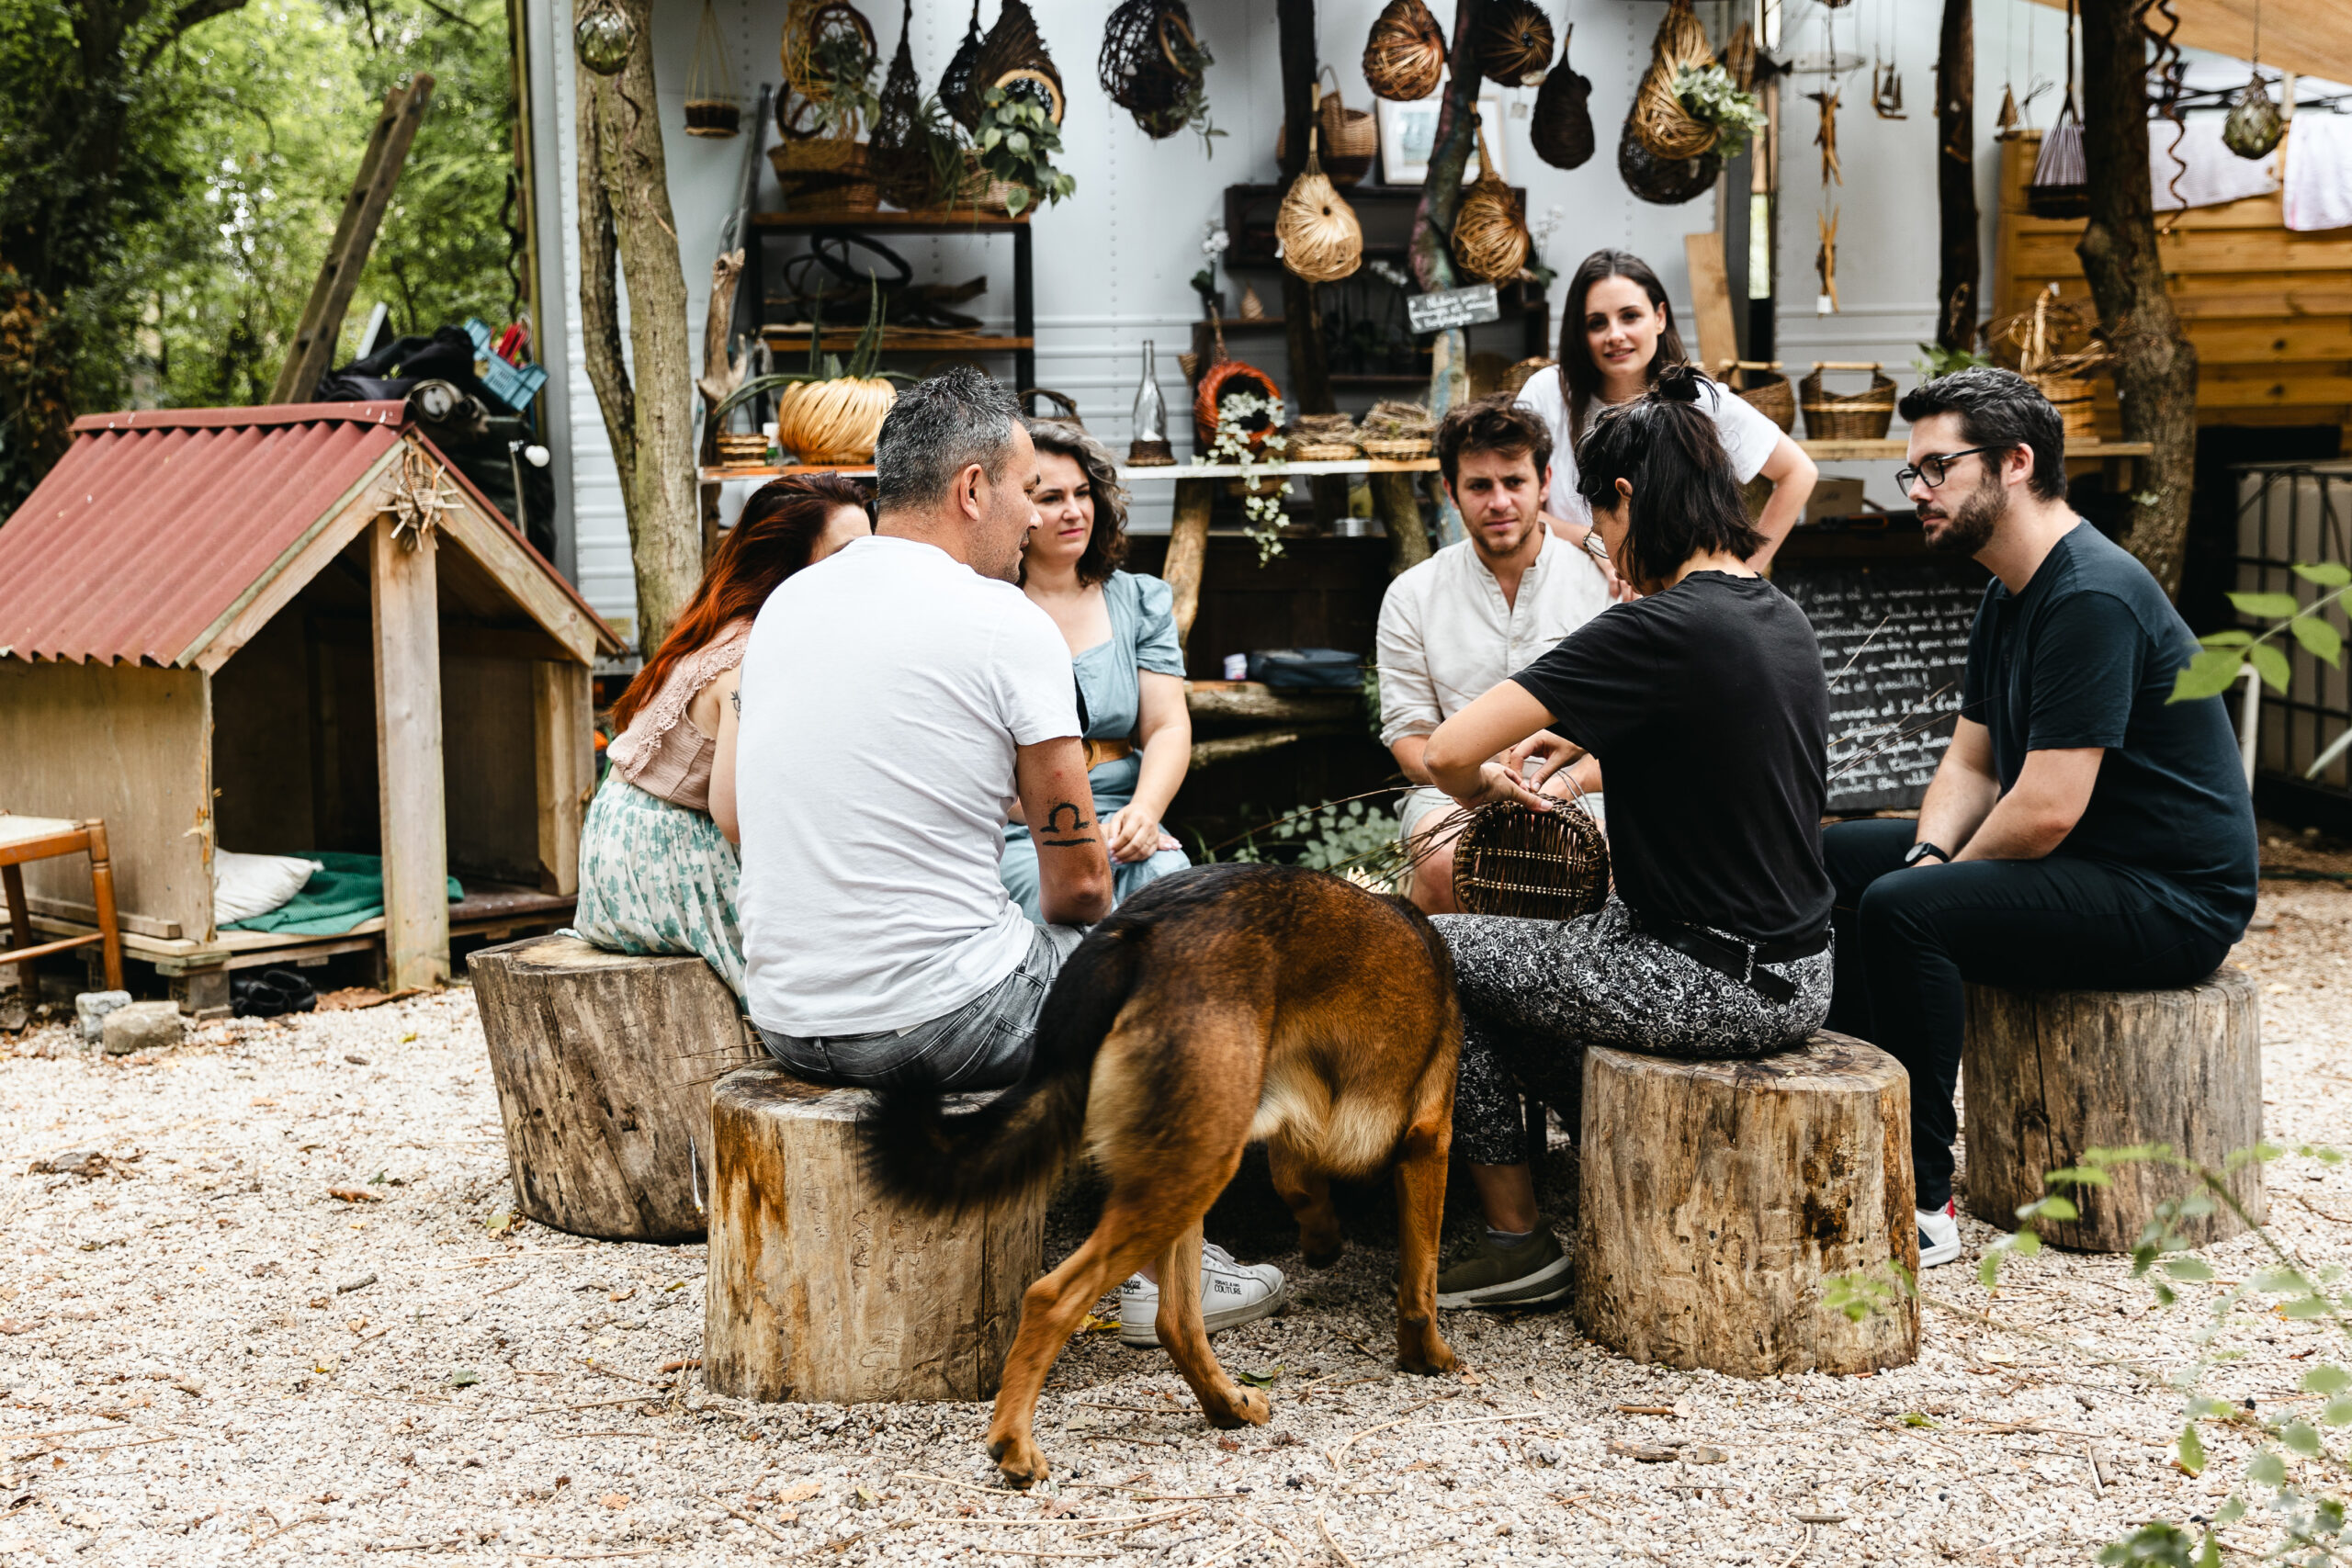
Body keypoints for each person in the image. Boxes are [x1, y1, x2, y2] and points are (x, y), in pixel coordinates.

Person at [731, 367, 1286, 1344]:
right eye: (1029, 491)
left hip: (784, 1012)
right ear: (972, 490)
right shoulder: (1006, 626)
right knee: (1172, 980)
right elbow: (1078, 885)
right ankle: (1157, 1271)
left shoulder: (788, 608)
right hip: (935, 1023)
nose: (1035, 518)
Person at [1418, 366, 1836, 1308]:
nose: (1601, 547)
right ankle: (1596, 1163)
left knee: (1427, 950)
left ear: (1625, 499)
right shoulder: (1775, 614)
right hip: (1794, 967)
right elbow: (1705, 749)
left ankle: (1513, 1240)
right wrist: (1578, 745)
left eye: (1599, 523)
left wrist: (1493, 776)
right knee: (1522, 961)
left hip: (1706, 977)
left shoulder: (1652, 627)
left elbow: (1445, 755)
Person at [1823, 368, 2258, 1269]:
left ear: (2014, 462)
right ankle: (1861, 1121)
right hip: (2089, 865)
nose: (1917, 492)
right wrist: (1929, 851)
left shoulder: (2090, 592)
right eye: (1912, 473)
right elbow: (1972, 762)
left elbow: (2049, 807)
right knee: (1838, 863)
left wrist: (1933, 885)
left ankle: (1922, 1196)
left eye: (1935, 469)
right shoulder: (2006, 589)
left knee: (1905, 911)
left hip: (2169, 897)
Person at [572, 473, 871, 995]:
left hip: (619, 843)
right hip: (663, 859)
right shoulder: (756, 652)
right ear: (787, 566)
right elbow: (733, 816)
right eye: (848, 557)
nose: (871, 572)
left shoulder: (730, 622)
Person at [1377, 397, 1614, 914]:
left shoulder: (1604, 585)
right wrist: (1478, 780)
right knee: (1445, 864)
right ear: (1451, 493)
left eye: (1514, 481)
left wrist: (1561, 785)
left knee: (1611, 864)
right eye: (1479, 486)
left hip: (1584, 787)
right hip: (1453, 793)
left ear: (1544, 482)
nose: (1499, 501)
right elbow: (1410, 737)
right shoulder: (1412, 594)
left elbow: (1630, 732)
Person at [999, 418, 1193, 920]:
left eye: (1082, 494)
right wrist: (1076, 834)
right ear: (1018, 510)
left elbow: (1168, 726)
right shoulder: (989, 608)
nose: (1073, 512)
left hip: (1126, 818)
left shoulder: (1140, 600)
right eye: (1050, 498)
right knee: (1069, 915)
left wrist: (1144, 815)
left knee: (1175, 904)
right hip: (1027, 827)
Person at [1515, 249, 1817, 568]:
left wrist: (1741, 577)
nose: (1615, 335)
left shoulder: (1697, 397)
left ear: (1659, 317)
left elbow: (1799, 472)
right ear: (1579, 332)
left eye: (1630, 316)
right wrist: (1596, 544)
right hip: (1565, 592)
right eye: (1597, 323)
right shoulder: (1547, 392)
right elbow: (1517, 507)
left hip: (1668, 605)